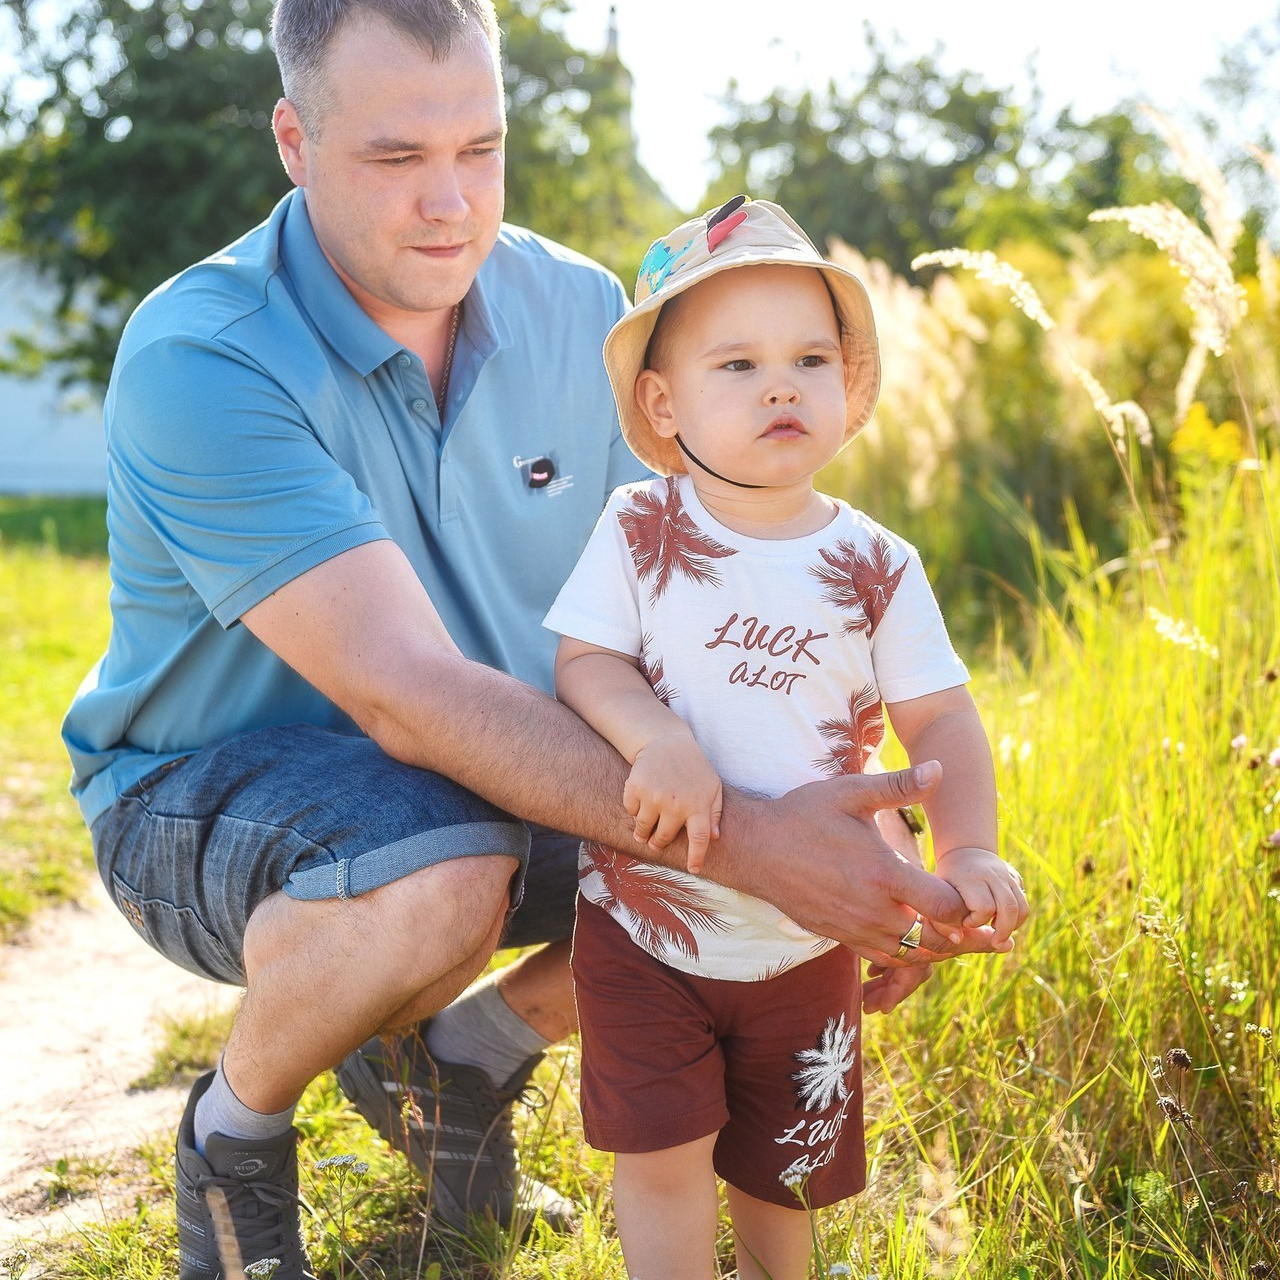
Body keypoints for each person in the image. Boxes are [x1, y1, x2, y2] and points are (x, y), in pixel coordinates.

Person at [60, 0, 1016, 1272]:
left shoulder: (578, 308)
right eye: (396, 159)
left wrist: (839, 819)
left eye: (481, 149)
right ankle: (234, 1132)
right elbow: (405, 696)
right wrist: (759, 840)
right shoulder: (204, 354)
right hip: (208, 791)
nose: (449, 203)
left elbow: (685, 614)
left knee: (727, 839)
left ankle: (467, 1057)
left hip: (496, 762)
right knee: (450, 863)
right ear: (295, 140)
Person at [545, 196, 1029, 1280]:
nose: (779, 384)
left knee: (784, 1179)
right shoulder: (639, 525)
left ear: (846, 392)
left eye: (810, 357)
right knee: (661, 1161)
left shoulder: (876, 563)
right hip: (642, 925)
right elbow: (584, 662)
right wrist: (652, 735)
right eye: (737, 365)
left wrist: (966, 851)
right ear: (661, 403)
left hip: (805, 943)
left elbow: (939, 715)